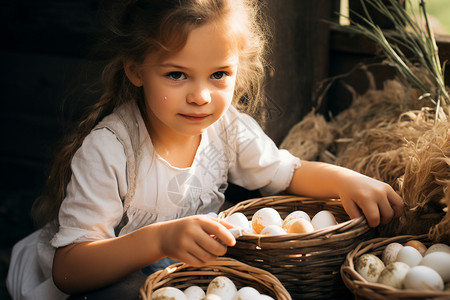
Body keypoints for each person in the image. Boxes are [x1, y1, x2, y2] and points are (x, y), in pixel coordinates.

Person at [7, 0, 404, 299]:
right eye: (176, 74)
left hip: (181, 280)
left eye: (219, 75)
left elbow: (287, 172)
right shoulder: (110, 151)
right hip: (100, 282)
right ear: (135, 70)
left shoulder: (227, 129)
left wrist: (347, 180)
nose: (200, 96)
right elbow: (70, 269)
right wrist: (159, 240)